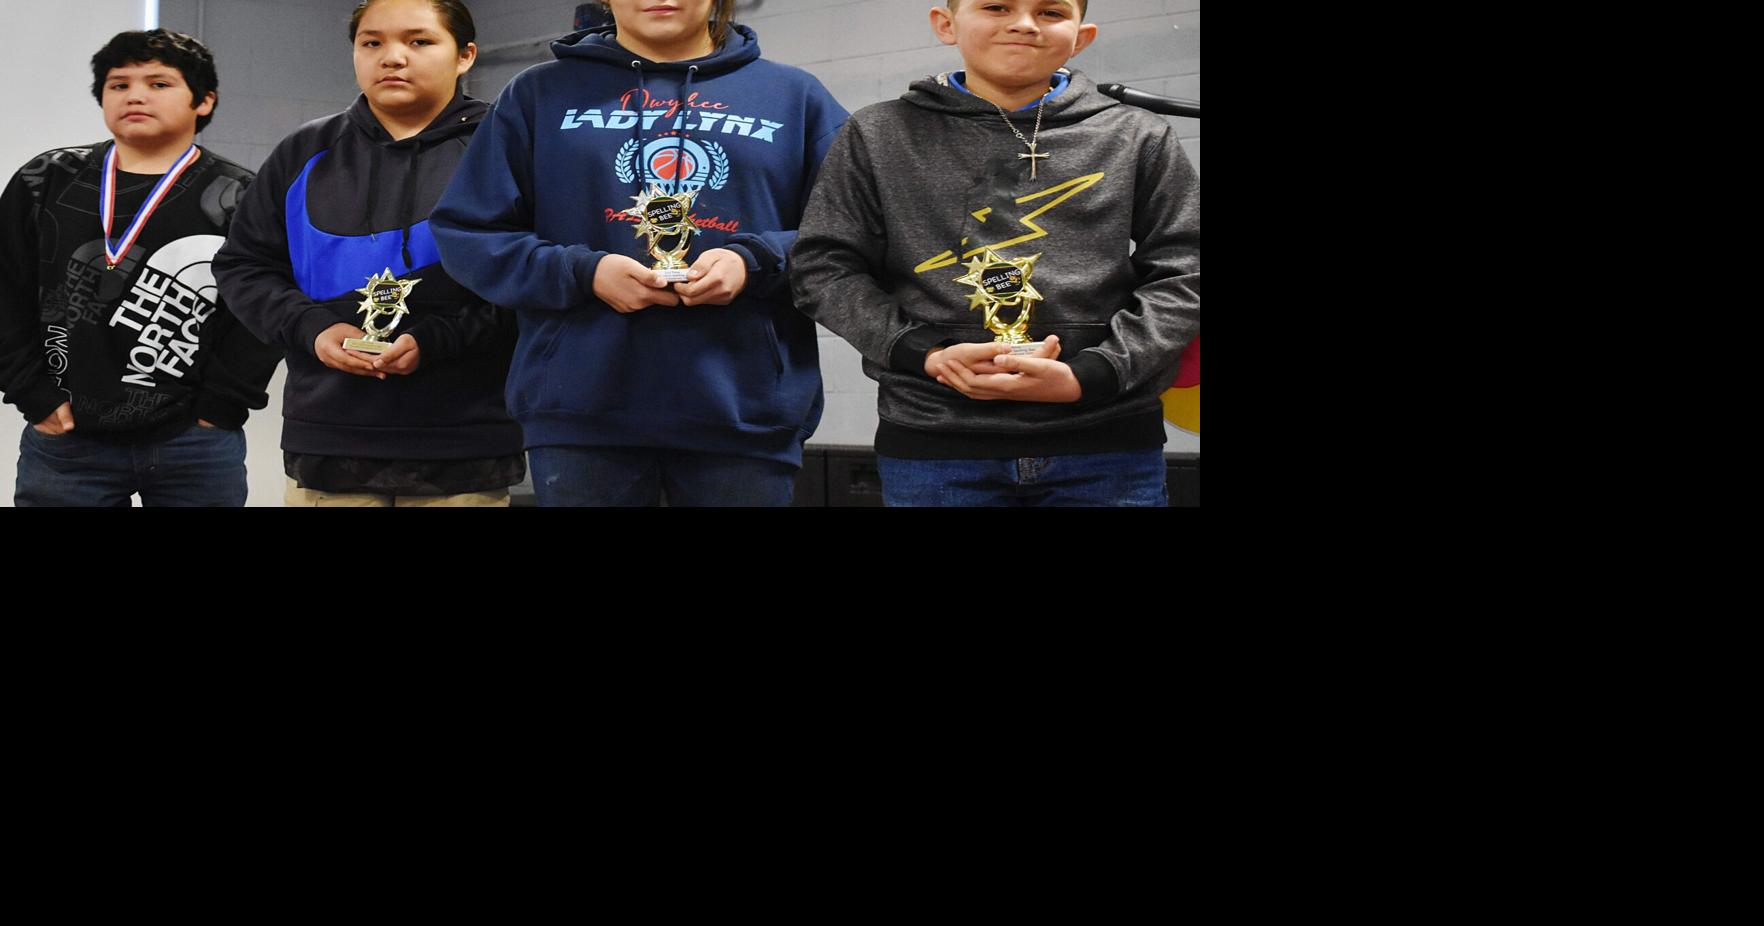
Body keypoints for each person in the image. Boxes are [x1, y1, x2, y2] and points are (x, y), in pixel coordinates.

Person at [431, 0, 847, 507]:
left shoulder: (794, 97)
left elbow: (850, 232)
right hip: (582, 415)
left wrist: (755, 261)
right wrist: (583, 272)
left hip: (744, 414)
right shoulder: (538, 95)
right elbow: (469, 232)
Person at [790, 0, 1200, 507]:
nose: (1024, 23)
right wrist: (923, 353)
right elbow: (822, 267)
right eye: (996, 6)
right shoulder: (876, 134)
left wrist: (1093, 373)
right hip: (935, 442)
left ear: (1082, 36)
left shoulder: (1138, 135)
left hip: (1107, 440)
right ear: (946, 24)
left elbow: (1186, 269)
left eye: (1051, 12)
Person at [213, 0, 523, 507]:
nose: (392, 57)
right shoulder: (303, 150)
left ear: (465, 55)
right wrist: (315, 330)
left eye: (419, 41)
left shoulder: (508, 149)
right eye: (372, 43)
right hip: (330, 437)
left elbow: (534, 276)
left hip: (465, 437)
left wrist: (438, 339)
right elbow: (244, 266)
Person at [0, 29, 278, 507]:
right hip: (66, 438)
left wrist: (224, 403)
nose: (135, 96)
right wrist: (31, 393)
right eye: (119, 84)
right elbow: (5, 289)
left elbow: (262, 306)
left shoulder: (241, 196)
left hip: (195, 440)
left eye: (159, 83)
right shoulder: (45, 178)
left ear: (204, 101)